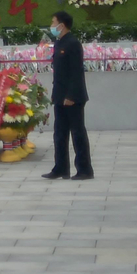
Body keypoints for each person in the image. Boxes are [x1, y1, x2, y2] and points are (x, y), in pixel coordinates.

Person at [43, 11, 93, 181]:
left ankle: (84, 170)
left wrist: (71, 95)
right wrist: (56, 94)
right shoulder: (59, 43)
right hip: (60, 96)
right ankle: (60, 168)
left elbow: (76, 73)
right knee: (59, 134)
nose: (51, 26)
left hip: (73, 98)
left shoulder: (73, 43)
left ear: (61, 25)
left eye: (53, 22)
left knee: (77, 134)